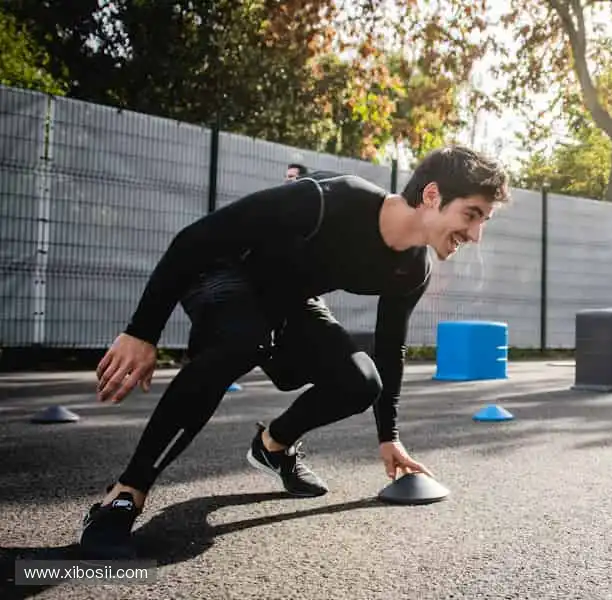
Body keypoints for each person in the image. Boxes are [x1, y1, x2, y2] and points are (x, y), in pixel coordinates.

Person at [79, 146, 510, 559]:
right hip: (223, 273)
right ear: (432, 195)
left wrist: (388, 436)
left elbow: (389, 345)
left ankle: (273, 446)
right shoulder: (326, 200)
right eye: (471, 215)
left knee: (361, 382)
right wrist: (141, 332)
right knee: (242, 339)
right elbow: (197, 239)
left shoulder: (413, 269)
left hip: (288, 300)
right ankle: (124, 496)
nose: (475, 234)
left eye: (483, 220)